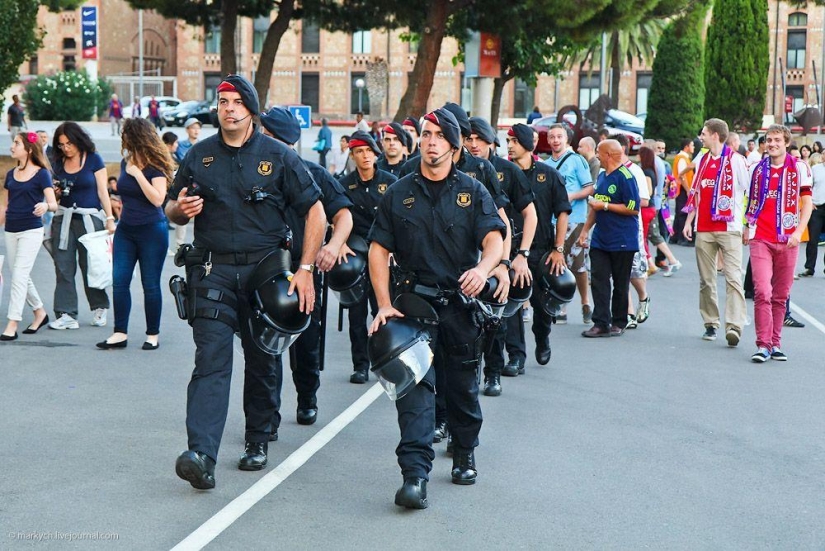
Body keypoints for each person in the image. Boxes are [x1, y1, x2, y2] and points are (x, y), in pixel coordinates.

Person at [166, 75, 325, 489]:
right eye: (222, 101)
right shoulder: (198, 155)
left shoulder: (278, 155)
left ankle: (257, 439)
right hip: (213, 270)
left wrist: (305, 270)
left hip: (264, 272)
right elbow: (171, 208)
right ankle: (201, 454)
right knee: (211, 361)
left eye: (237, 101)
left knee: (261, 361)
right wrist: (181, 209)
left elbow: (316, 213)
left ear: (252, 109)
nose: (229, 108)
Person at [367, 107, 506, 508]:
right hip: (412, 307)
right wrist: (382, 304)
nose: (430, 142)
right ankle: (414, 476)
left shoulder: (472, 190)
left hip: (459, 307)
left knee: (462, 389)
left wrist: (484, 269)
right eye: (425, 134)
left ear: (453, 146)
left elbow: (494, 238)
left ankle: (464, 452)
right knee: (413, 392)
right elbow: (378, 251)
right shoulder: (398, 192)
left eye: (438, 136)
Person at [259, 106, 353, 433]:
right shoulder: (254, 173)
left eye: (269, 137)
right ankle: (266, 419)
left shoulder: (314, 173)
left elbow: (343, 215)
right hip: (265, 272)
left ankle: (307, 397)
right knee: (265, 348)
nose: (262, 141)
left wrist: (334, 244)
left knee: (306, 343)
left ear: (286, 142)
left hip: (305, 270)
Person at [466, 116, 536, 391]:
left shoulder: (508, 171)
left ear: (490, 141)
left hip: (502, 252)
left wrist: (520, 256)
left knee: (498, 315)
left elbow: (529, 215)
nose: (473, 144)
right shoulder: (460, 169)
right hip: (469, 252)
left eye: (479, 139)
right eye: (469, 138)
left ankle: (494, 372)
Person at [95, 118, 174, 351]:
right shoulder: (125, 162)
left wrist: (138, 174)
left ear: (138, 136)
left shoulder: (156, 165)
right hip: (126, 230)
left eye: (126, 134)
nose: (123, 139)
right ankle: (120, 333)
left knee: (150, 284)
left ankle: (152, 334)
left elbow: (158, 199)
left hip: (152, 231)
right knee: (120, 281)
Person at [744, 124, 813, 362]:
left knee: (780, 295)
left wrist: (799, 232)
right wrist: (746, 226)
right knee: (763, 291)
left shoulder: (800, 168)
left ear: (786, 143)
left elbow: (807, 203)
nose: (772, 144)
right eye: (768, 140)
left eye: (776, 140)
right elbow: (749, 199)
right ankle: (762, 344)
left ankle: (775, 343)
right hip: (761, 238)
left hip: (789, 240)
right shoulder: (756, 168)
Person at [506, 123, 571, 361]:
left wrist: (559, 249)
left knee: (542, 307)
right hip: (511, 252)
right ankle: (516, 356)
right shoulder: (501, 173)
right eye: (508, 142)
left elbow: (563, 212)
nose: (510, 146)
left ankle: (542, 338)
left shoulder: (549, 175)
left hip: (542, 252)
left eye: (514, 141)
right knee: (511, 306)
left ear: (527, 144)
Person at [682, 118, 749, 346]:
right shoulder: (701, 160)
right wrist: (689, 220)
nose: (700, 137)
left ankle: (734, 326)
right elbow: (697, 192)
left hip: (729, 227)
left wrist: (749, 224)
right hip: (704, 228)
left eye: (704, 133)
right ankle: (711, 322)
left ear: (715, 135)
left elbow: (750, 191)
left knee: (733, 279)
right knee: (706, 280)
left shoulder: (737, 161)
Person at [339, 131, 398, 384]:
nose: (365, 156)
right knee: (356, 314)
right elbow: (336, 217)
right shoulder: (344, 185)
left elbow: (398, 220)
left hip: (383, 254)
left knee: (383, 311)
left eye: (369, 151)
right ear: (352, 155)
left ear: (376, 154)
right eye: (359, 152)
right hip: (354, 255)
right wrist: (338, 242)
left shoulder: (391, 182)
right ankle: (360, 365)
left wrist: (397, 249)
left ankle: (384, 361)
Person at [48, 122, 116, 330]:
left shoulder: (93, 159)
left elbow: (103, 191)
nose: (66, 148)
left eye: (69, 143)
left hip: (89, 219)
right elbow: (55, 192)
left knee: (91, 266)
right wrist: (56, 192)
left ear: (78, 140)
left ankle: (99, 306)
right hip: (64, 219)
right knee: (63, 267)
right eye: (61, 145)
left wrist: (110, 218)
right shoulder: (58, 161)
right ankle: (66, 313)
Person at [577, 140, 640, 337]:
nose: (596, 155)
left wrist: (605, 206)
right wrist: (585, 230)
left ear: (609, 155)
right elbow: (595, 206)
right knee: (599, 280)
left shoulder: (626, 177)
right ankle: (601, 322)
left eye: (599, 152)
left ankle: (619, 321)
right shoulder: (602, 176)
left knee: (620, 283)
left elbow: (633, 208)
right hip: (600, 240)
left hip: (622, 240)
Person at [0, 132, 57, 340]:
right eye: (13, 142)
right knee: (19, 274)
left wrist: (45, 205)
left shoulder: (42, 174)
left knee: (20, 275)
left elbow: (54, 203)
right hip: (11, 229)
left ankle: (12, 323)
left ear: (29, 149)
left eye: (16, 143)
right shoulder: (10, 174)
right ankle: (40, 312)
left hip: (31, 230)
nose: (12, 146)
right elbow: (6, 205)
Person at [543, 123, 594, 324]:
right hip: (552, 221)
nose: (555, 140)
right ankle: (561, 304)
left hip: (575, 220)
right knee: (557, 263)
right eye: (552, 137)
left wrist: (571, 196)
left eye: (559, 137)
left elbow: (589, 188)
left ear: (567, 139)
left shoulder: (577, 161)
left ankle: (585, 302)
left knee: (578, 265)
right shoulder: (545, 165)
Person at [800, 152, 825, 277]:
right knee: (813, 240)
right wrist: (810, 202)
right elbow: (808, 186)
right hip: (817, 207)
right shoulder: (815, 169)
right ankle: (809, 267)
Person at [672, 138, 696, 244]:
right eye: (692, 145)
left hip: (681, 188)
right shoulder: (682, 158)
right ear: (686, 147)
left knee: (680, 213)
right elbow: (682, 176)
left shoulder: (683, 158)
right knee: (683, 213)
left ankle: (675, 237)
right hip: (682, 189)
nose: (693, 147)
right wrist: (687, 189)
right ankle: (682, 238)